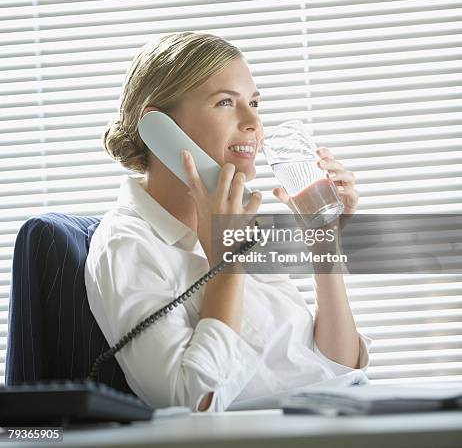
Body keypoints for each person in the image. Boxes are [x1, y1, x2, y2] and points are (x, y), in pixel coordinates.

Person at [84, 31, 372, 413]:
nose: (254, 122)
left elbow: (335, 365)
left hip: (340, 414)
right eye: (225, 103)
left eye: (254, 103)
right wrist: (226, 264)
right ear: (158, 129)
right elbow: (194, 403)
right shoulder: (127, 245)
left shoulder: (240, 224)